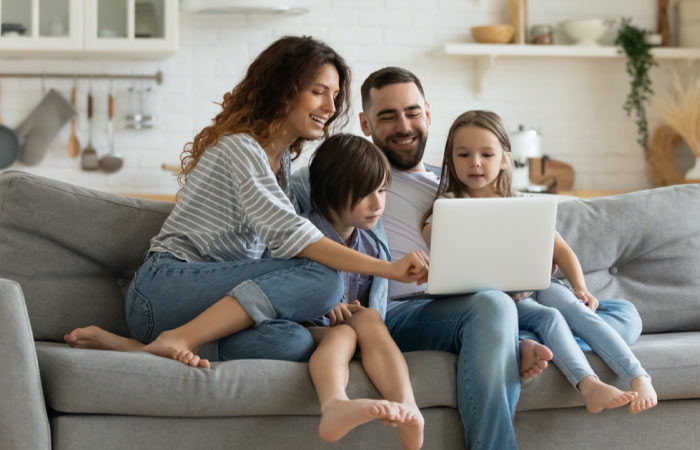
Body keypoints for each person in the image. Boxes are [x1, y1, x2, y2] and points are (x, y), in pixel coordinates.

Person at [64, 36, 429, 370]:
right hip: (164, 291)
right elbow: (296, 240)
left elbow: (279, 257)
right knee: (325, 279)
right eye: (319, 91)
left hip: (210, 303)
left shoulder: (282, 163)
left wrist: (317, 303)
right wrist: (391, 269)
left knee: (295, 341)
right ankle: (178, 338)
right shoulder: (241, 148)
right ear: (284, 90)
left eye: (334, 95)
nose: (331, 107)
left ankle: (140, 348)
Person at [349, 67, 645, 449]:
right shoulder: (359, 180)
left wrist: (542, 270)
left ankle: (514, 341)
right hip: (410, 310)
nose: (403, 125)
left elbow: (532, 243)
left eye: (412, 112)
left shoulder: (456, 180)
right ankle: (512, 345)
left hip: (494, 303)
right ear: (365, 123)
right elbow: (315, 227)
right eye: (387, 116)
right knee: (495, 305)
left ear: (428, 114)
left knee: (624, 315)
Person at [420, 109, 657, 415]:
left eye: (486, 154)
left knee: (574, 307)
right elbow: (439, 248)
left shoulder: (523, 203)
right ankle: (588, 384)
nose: (475, 163)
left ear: (505, 158)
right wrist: (436, 229)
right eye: (463, 154)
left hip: (537, 285)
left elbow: (563, 252)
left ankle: (639, 376)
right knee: (551, 318)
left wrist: (581, 288)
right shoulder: (449, 208)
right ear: (451, 159)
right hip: (497, 300)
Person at [301, 133, 423, 449]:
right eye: (365, 193)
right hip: (306, 327)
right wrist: (323, 304)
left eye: (382, 190)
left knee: (368, 319)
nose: (378, 203)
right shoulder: (302, 235)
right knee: (345, 335)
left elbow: (369, 304)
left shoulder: (369, 245)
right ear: (329, 194)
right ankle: (336, 403)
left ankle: (408, 407)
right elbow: (279, 289)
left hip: (351, 326)